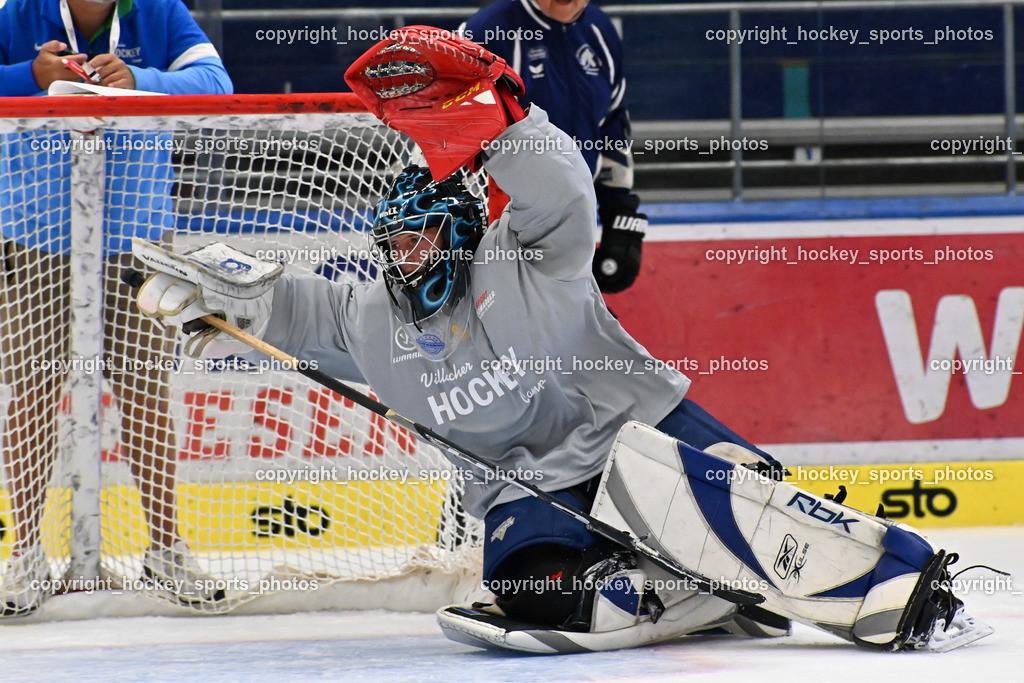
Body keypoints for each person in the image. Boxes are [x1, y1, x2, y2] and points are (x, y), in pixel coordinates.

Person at [131, 28, 985, 652]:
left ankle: (892, 578)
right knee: (527, 589)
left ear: (460, 235)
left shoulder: (531, 255)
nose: (405, 258)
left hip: (642, 438)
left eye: (422, 240)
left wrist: (496, 115)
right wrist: (220, 302)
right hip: (534, 490)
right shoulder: (370, 319)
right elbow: (288, 305)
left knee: (776, 522)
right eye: (393, 244)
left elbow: (565, 190)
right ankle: (670, 590)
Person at [0, 0, 233, 615]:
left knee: (146, 390)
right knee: (30, 390)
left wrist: (143, 81)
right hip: (37, 234)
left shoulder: (159, 13)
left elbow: (217, 82)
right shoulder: (15, 14)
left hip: (138, 236)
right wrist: (31, 77)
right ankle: (24, 552)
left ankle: (164, 549)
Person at [461, 0, 646, 295]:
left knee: (578, 329)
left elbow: (611, 122)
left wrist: (618, 210)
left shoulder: (600, 30)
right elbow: (453, 135)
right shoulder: (485, 32)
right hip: (504, 226)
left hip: (575, 221)